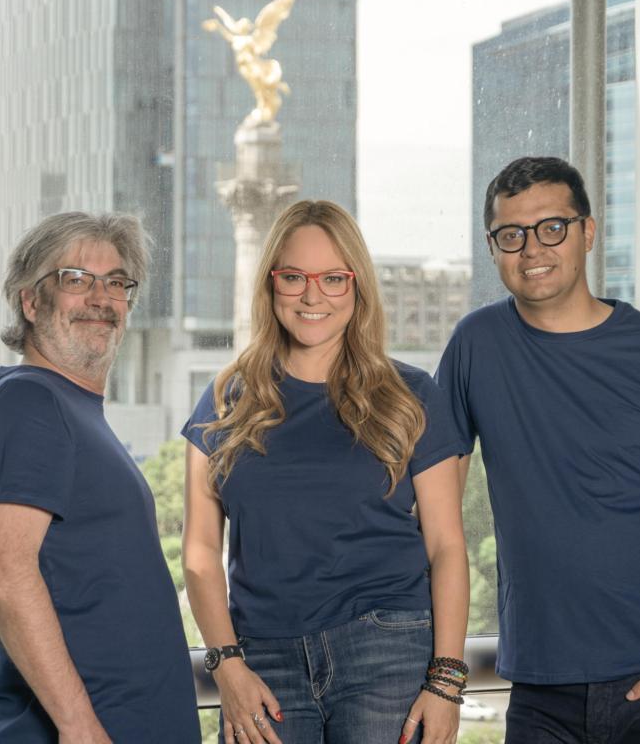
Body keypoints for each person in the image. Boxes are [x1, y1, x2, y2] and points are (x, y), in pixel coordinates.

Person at [182, 200, 469, 744]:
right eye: (294, 277)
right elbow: (199, 552)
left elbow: (447, 547)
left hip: (387, 652)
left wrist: (447, 682)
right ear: (271, 285)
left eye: (333, 278)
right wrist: (226, 664)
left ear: (357, 286)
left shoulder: (409, 397)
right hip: (260, 658)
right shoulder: (225, 399)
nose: (313, 296)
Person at [435, 156, 640, 743]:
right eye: (512, 235)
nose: (533, 250)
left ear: (588, 233)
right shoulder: (477, 343)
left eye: (552, 228)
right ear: (493, 247)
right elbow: (433, 502)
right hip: (538, 686)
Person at [0, 212, 201, 743]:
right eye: (75, 279)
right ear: (30, 301)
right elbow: (2, 569)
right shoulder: (29, 402)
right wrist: (79, 727)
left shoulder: (75, 412)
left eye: (116, 282)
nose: (101, 298)